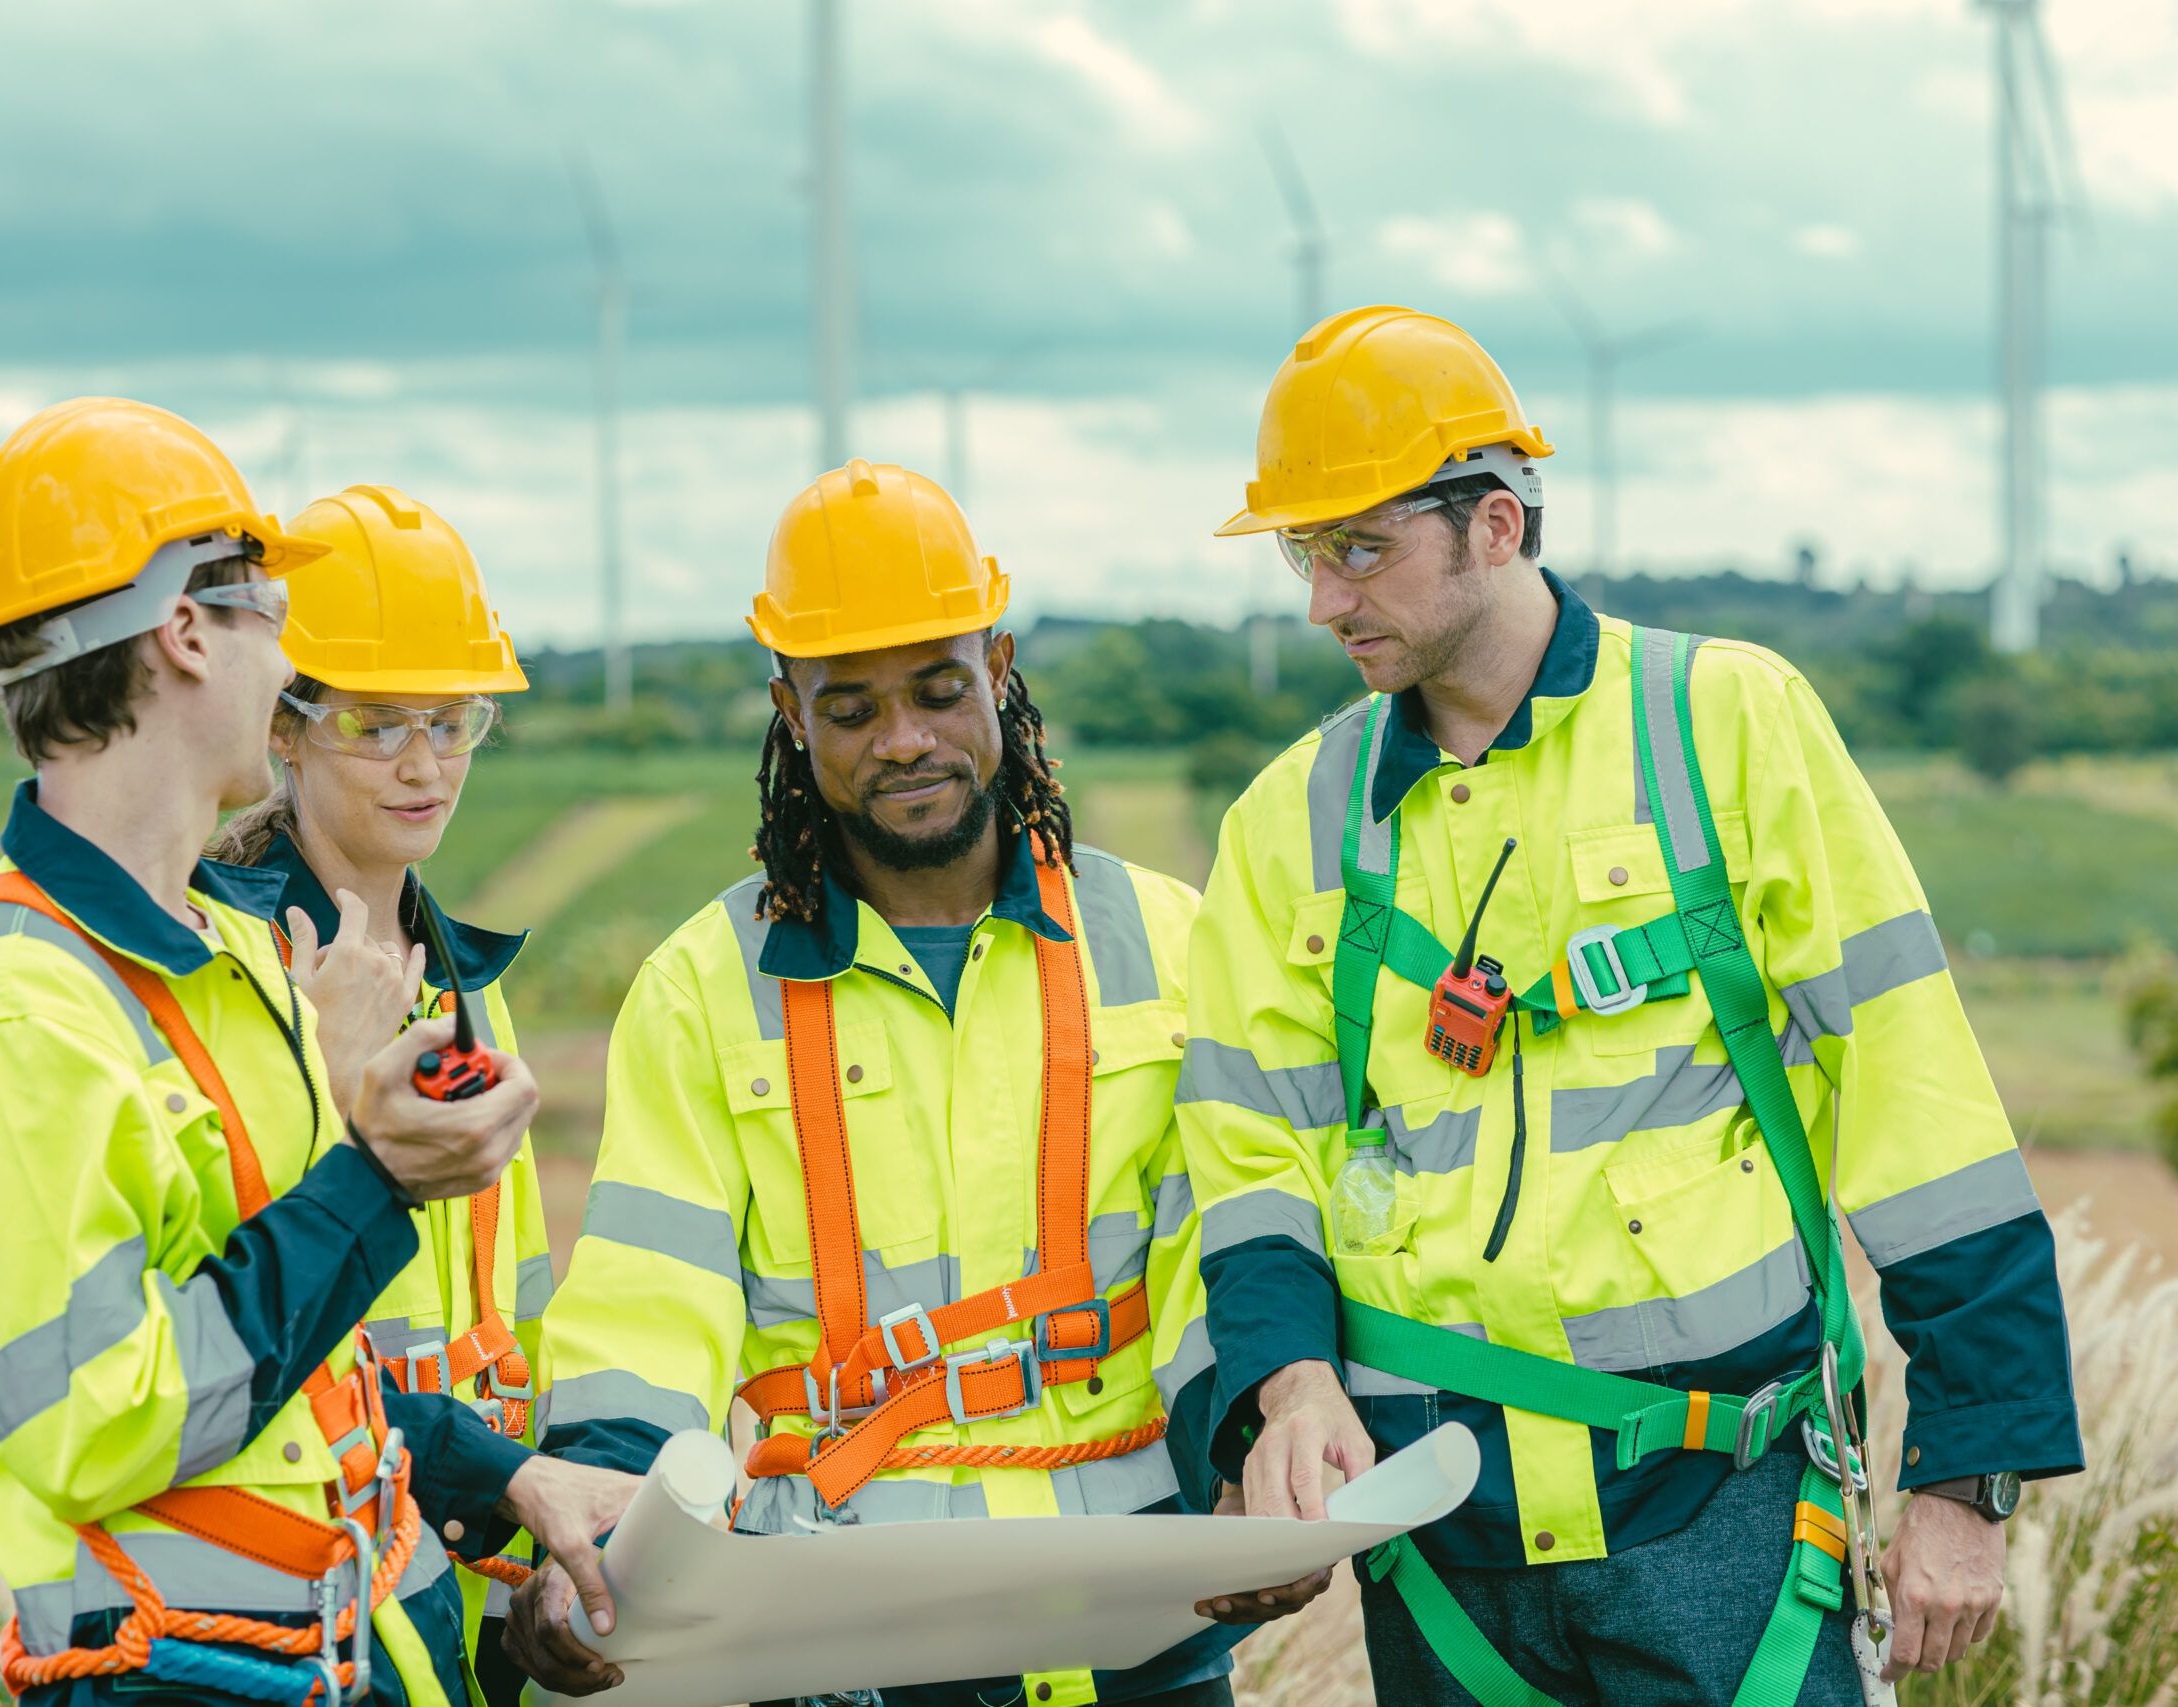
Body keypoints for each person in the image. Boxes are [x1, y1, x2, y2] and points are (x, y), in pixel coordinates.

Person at [1176, 307, 2082, 1703]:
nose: (1321, 600)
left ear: (1494, 523)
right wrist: (1285, 1388)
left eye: (1359, 545)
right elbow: (1248, 1155)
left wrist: (1968, 1473)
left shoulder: (1729, 723)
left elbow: (1917, 1093)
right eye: (1305, 551)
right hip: (1441, 1544)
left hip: (1723, 1517)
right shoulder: (1285, 820)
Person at [0, 399, 569, 1706]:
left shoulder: (228, 965)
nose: (286, 652)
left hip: (338, 1652)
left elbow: (312, 1361)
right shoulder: (20, 1008)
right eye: (269, 614)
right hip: (174, 1674)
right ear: (186, 630)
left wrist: (504, 1476)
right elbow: (96, 1421)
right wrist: (376, 1171)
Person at [510, 460, 1234, 1707]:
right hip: (849, 1611)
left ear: (1000, 669)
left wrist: (1246, 1454)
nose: (904, 741)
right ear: (789, 712)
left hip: (1135, 1602)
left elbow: (1212, 1249)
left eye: (940, 692)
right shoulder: (704, 986)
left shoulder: (1169, 941)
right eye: (849, 710)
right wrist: (603, 1521)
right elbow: (647, 1299)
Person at [209, 482, 637, 1706]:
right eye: (377, 723)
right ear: (281, 730)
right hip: (322, 1577)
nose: (423, 765)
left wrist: (543, 1505)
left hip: (476, 1558)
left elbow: (518, 1307)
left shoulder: (465, 991)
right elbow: (238, 1316)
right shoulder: (231, 974)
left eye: (451, 723)